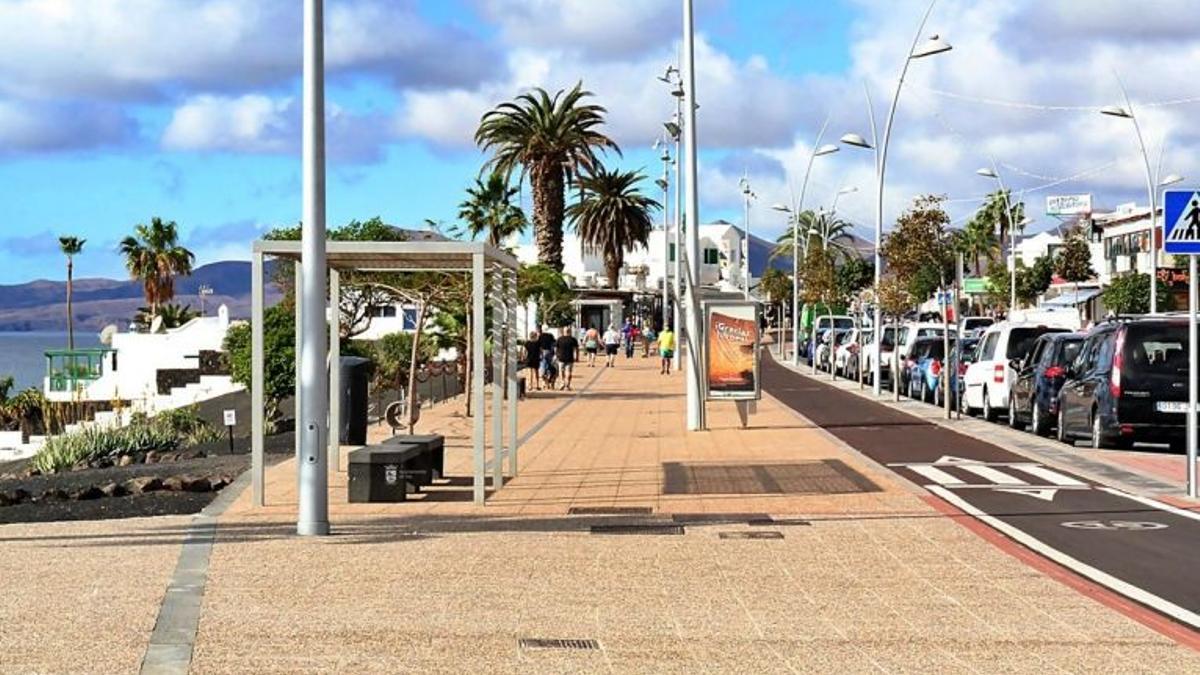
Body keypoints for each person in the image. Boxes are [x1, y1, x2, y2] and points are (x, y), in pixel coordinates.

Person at [555, 325, 580, 390]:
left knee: (561, 371)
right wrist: (577, 357)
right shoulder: (573, 339)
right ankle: (567, 385)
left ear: (563, 332)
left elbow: (556, 348)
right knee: (568, 371)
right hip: (570, 358)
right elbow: (576, 349)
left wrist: (557, 355)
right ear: (570, 331)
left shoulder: (559, 339)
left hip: (561, 358)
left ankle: (562, 383)